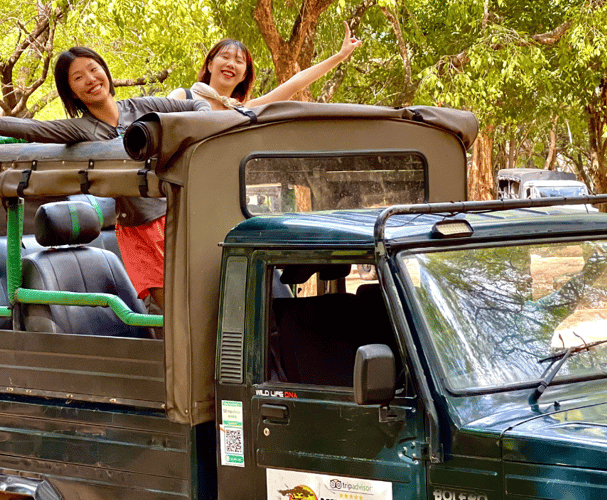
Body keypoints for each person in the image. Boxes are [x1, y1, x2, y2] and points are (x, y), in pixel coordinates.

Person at [0, 46, 211, 313]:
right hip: (139, 232)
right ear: (72, 93)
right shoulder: (81, 128)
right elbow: (31, 129)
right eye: (77, 78)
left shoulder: (145, 106)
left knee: (207, 305)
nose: (89, 79)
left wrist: (204, 119)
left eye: (93, 68)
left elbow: (196, 104)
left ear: (105, 71)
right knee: (178, 315)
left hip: (180, 221)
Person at [168, 22, 362, 110]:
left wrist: (340, 56)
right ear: (210, 64)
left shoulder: (243, 110)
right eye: (225, 57)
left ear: (244, 75)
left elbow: (295, 83)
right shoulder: (183, 97)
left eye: (239, 61)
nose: (230, 64)